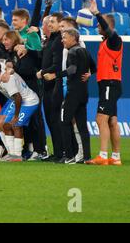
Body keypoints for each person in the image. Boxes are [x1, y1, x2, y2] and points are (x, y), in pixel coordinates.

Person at [44, 29, 96, 164]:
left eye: (64, 38)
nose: (62, 40)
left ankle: (69, 155)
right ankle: (86, 157)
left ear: (73, 38)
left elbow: (72, 70)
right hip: (83, 93)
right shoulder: (83, 50)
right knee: (82, 126)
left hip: (73, 93)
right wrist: (89, 74)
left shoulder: (72, 51)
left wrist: (55, 75)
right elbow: (94, 67)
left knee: (64, 122)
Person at [86, 0, 124, 166]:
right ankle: (115, 157)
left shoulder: (115, 40)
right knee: (112, 120)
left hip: (110, 84)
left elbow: (108, 29)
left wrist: (96, 13)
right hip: (109, 84)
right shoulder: (106, 43)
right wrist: (91, 72)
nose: (97, 26)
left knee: (101, 119)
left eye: (99, 24)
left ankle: (102, 155)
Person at [3, 31, 47, 160]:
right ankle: (29, 150)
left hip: (32, 91)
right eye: (4, 39)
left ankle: (41, 150)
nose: (4, 42)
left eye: (7, 39)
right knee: (25, 124)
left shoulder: (23, 53)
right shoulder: (12, 54)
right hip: (22, 92)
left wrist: (13, 69)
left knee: (35, 121)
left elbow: (28, 71)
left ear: (14, 40)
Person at [0, 60, 40, 162]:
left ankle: (18, 156)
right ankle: (11, 154)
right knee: (6, 125)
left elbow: (18, 97)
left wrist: (16, 116)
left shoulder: (7, 80)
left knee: (16, 124)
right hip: (15, 100)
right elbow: (5, 64)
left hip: (29, 101)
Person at [36, 12, 64, 161]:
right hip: (47, 86)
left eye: (53, 22)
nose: (49, 24)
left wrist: (43, 72)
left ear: (60, 24)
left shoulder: (59, 40)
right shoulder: (51, 39)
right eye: (49, 22)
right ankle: (58, 152)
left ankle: (63, 152)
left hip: (54, 84)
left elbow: (57, 64)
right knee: (51, 121)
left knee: (55, 120)